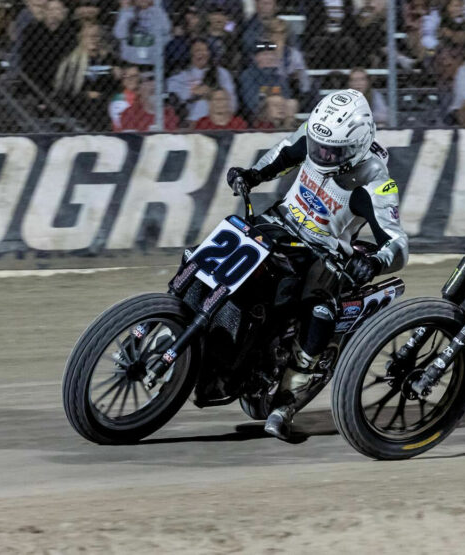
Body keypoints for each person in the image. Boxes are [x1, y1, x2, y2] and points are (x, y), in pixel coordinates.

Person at [226, 89, 408, 440]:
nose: (321, 155)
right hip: (279, 224)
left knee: (319, 311)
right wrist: (252, 174)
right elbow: (284, 152)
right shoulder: (319, 133)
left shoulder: (376, 181)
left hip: (323, 253)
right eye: (317, 146)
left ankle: (288, 399)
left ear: (356, 147)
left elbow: (398, 244)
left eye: (332, 152)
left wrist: (374, 262)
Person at [53, 24, 119, 130]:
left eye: (96, 36)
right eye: (88, 36)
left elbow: (115, 87)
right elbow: (63, 92)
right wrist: (86, 94)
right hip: (79, 107)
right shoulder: (72, 63)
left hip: (104, 106)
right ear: (81, 38)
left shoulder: (109, 59)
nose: (93, 39)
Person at [166, 39, 237, 126]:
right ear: (190, 55)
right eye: (198, 50)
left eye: (205, 50)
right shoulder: (182, 75)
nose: (202, 54)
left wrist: (212, 92)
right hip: (191, 122)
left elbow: (232, 99)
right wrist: (192, 92)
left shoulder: (221, 73)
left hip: (216, 121)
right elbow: (171, 90)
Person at [19, 0, 75, 93]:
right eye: (50, 9)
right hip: (37, 76)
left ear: (64, 12)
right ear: (44, 12)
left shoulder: (70, 33)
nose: (54, 13)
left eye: (57, 9)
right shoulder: (32, 31)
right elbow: (27, 60)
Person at [238, 41, 298, 121]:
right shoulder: (248, 75)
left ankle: (288, 128)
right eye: (265, 54)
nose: (270, 58)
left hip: (279, 108)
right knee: (273, 101)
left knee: (292, 103)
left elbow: (286, 96)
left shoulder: (279, 76)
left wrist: (270, 95)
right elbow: (252, 101)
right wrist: (272, 97)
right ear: (256, 58)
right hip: (257, 113)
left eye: (272, 54)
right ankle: (275, 130)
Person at [113, 0, 172, 67]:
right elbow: (119, 34)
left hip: (152, 63)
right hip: (130, 63)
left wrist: (154, 8)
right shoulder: (127, 11)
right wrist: (127, 12)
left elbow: (166, 29)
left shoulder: (157, 11)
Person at [109, 63, 141, 129]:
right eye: (126, 76)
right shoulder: (118, 99)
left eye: (134, 76)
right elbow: (120, 126)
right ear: (122, 80)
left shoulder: (144, 94)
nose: (130, 79)